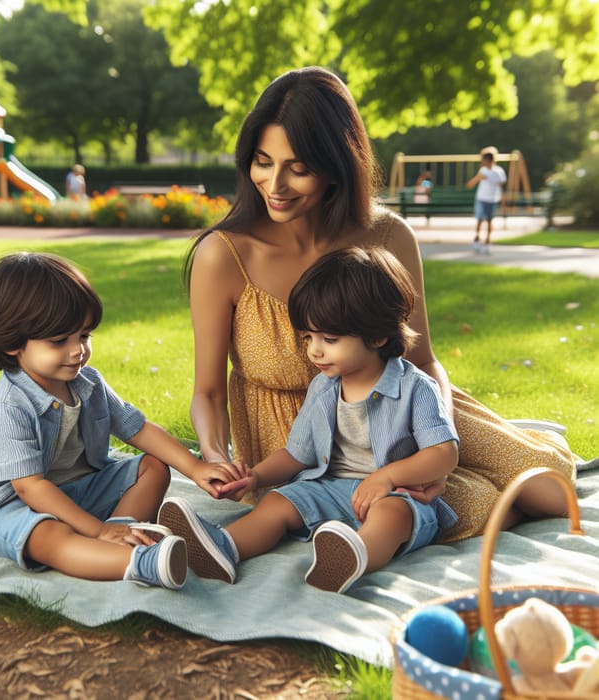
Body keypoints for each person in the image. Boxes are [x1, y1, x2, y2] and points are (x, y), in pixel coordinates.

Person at [184, 65, 575, 542]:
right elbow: (207, 392)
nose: (275, 184)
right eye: (262, 161)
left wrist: (438, 439)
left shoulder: (387, 235)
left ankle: (528, 448)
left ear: (337, 165)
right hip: (297, 444)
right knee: (473, 507)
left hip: (405, 409)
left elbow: (423, 358)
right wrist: (214, 452)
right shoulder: (223, 255)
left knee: (552, 485)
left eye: (298, 168)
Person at [160, 247, 460, 593]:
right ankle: (223, 547)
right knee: (279, 501)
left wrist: (387, 477)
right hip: (330, 488)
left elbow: (444, 453)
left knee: (392, 517)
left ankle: (353, 555)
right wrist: (255, 477)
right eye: (309, 338)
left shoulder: (415, 387)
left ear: (378, 336)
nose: (314, 351)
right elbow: (297, 454)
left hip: (396, 494)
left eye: (329, 340)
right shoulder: (323, 387)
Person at [0, 252, 245, 588]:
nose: (78, 351)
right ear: (13, 342)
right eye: (60, 341)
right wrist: (97, 529)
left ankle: (125, 529)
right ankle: (140, 562)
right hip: (17, 508)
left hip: (80, 491)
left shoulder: (88, 383)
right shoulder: (8, 410)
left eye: (84, 336)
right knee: (50, 536)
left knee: (153, 466)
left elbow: (139, 428)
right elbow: (31, 488)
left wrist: (195, 468)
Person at [465, 147, 507, 254]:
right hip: (481, 198)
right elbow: (472, 183)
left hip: (492, 199)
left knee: (489, 220)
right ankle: (477, 239)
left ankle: (487, 241)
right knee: (479, 219)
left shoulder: (498, 171)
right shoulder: (483, 171)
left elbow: (501, 183)